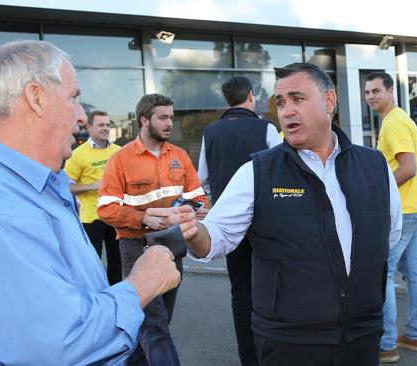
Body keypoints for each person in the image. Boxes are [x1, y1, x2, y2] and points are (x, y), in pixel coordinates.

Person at [156, 62, 402, 366]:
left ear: (329, 101)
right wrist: (195, 232)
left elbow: (388, 237)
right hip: (288, 342)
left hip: (362, 339)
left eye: (298, 99)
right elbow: (217, 236)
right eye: (281, 102)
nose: (286, 111)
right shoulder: (257, 171)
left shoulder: (376, 167)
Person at [0, 40, 180, 364]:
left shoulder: (30, 184)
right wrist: (143, 283)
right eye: (74, 97)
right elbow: (61, 344)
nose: (82, 116)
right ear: (36, 98)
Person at [98, 93, 209, 365]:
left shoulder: (180, 156)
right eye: (163, 117)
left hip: (173, 246)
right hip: (135, 246)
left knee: (157, 323)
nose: (170, 123)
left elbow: (199, 199)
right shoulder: (120, 159)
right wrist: (143, 218)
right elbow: (105, 208)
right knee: (155, 325)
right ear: (144, 121)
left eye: (171, 117)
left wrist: (188, 210)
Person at [197, 76, 281, 366]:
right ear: (250, 97)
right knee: (273, 288)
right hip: (266, 222)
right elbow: (282, 169)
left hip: (227, 226)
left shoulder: (210, 132)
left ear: (227, 100)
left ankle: (249, 358)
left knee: (241, 291)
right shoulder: (266, 128)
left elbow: (203, 181)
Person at [364, 71, 417, 363]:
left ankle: (387, 344)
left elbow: (408, 168)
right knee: (413, 273)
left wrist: (380, 191)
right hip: (416, 207)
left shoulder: (393, 124)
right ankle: (414, 335)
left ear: (390, 91)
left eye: (376, 91)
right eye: (367, 92)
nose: (371, 97)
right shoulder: (401, 119)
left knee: (385, 273)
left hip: (404, 211)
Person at [64, 109, 122, 284]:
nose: (105, 128)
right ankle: (95, 301)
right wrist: (93, 186)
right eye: (101, 125)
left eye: (107, 124)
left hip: (116, 216)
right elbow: (65, 187)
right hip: (91, 219)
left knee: (116, 263)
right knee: (92, 263)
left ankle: (115, 299)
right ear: (90, 127)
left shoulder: (119, 151)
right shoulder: (78, 154)